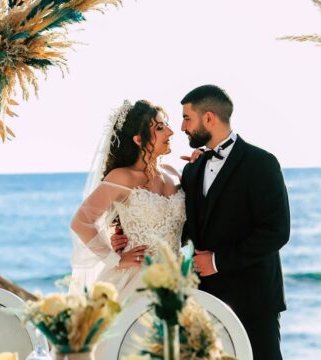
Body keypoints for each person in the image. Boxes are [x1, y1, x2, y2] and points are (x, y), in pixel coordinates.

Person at [113, 85, 291, 359]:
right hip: (203, 300)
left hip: (254, 300)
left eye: (186, 118)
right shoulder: (193, 169)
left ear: (208, 118)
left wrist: (218, 261)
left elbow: (276, 232)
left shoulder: (262, 163)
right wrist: (127, 233)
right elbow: (182, 227)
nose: (181, 127)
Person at [69, 99, 185, 302]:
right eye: (159, 128)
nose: (170, 132)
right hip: (136, 284)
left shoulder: (174, 174)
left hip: (178, 280)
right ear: (139, 140)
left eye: (165, 125)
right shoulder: (122, 177)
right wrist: (115, 259)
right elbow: (81, 222)